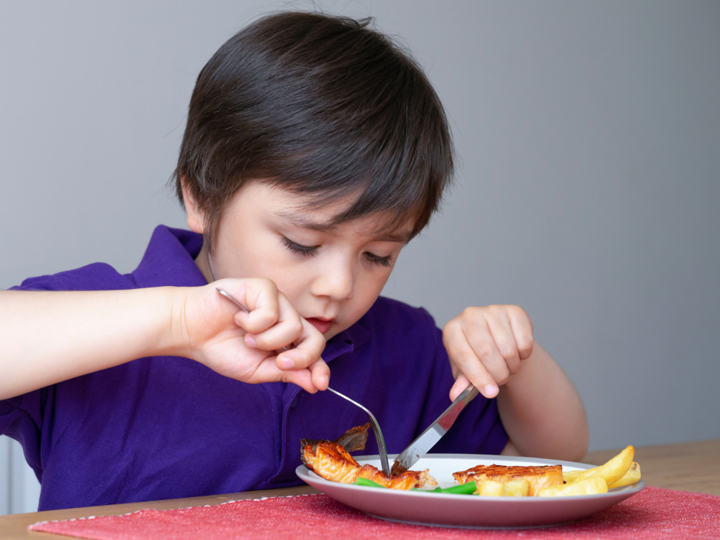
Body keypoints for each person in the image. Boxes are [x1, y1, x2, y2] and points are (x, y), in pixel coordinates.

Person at [0, 11, 588, 511]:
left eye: (378, 255)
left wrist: (514, 360)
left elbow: (555, 460)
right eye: (303, 243)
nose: (338, 285)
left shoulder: (405, 348)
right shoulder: (106, 317)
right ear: (200, 197)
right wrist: (176, 323)